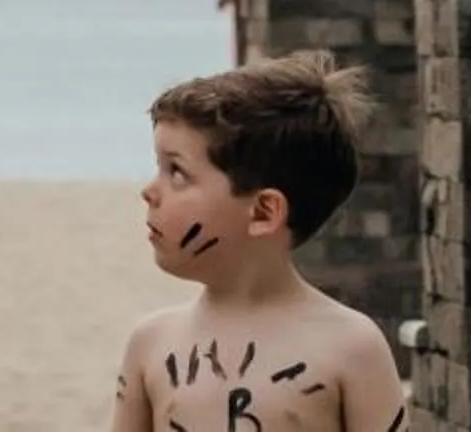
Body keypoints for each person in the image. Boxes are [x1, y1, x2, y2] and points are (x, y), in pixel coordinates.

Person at [111, 51, 406, 432]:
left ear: (265, 211)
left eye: (177, 172)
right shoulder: (150, 344)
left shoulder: (351, 347)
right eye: (158, 168)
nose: (149, 191)